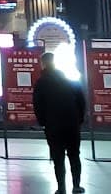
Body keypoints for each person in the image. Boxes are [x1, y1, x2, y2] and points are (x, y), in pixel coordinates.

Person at [31, 51, 86, 194]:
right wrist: (79, 119)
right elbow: (81, 100)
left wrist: (43, 122)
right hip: (72, 123)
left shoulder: (41, 83)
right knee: (74, 154)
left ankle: (61, 188)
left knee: (58, 157)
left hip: (53, 125)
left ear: (42, 64)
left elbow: (38, 105)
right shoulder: (68, 78)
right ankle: (76, 186)